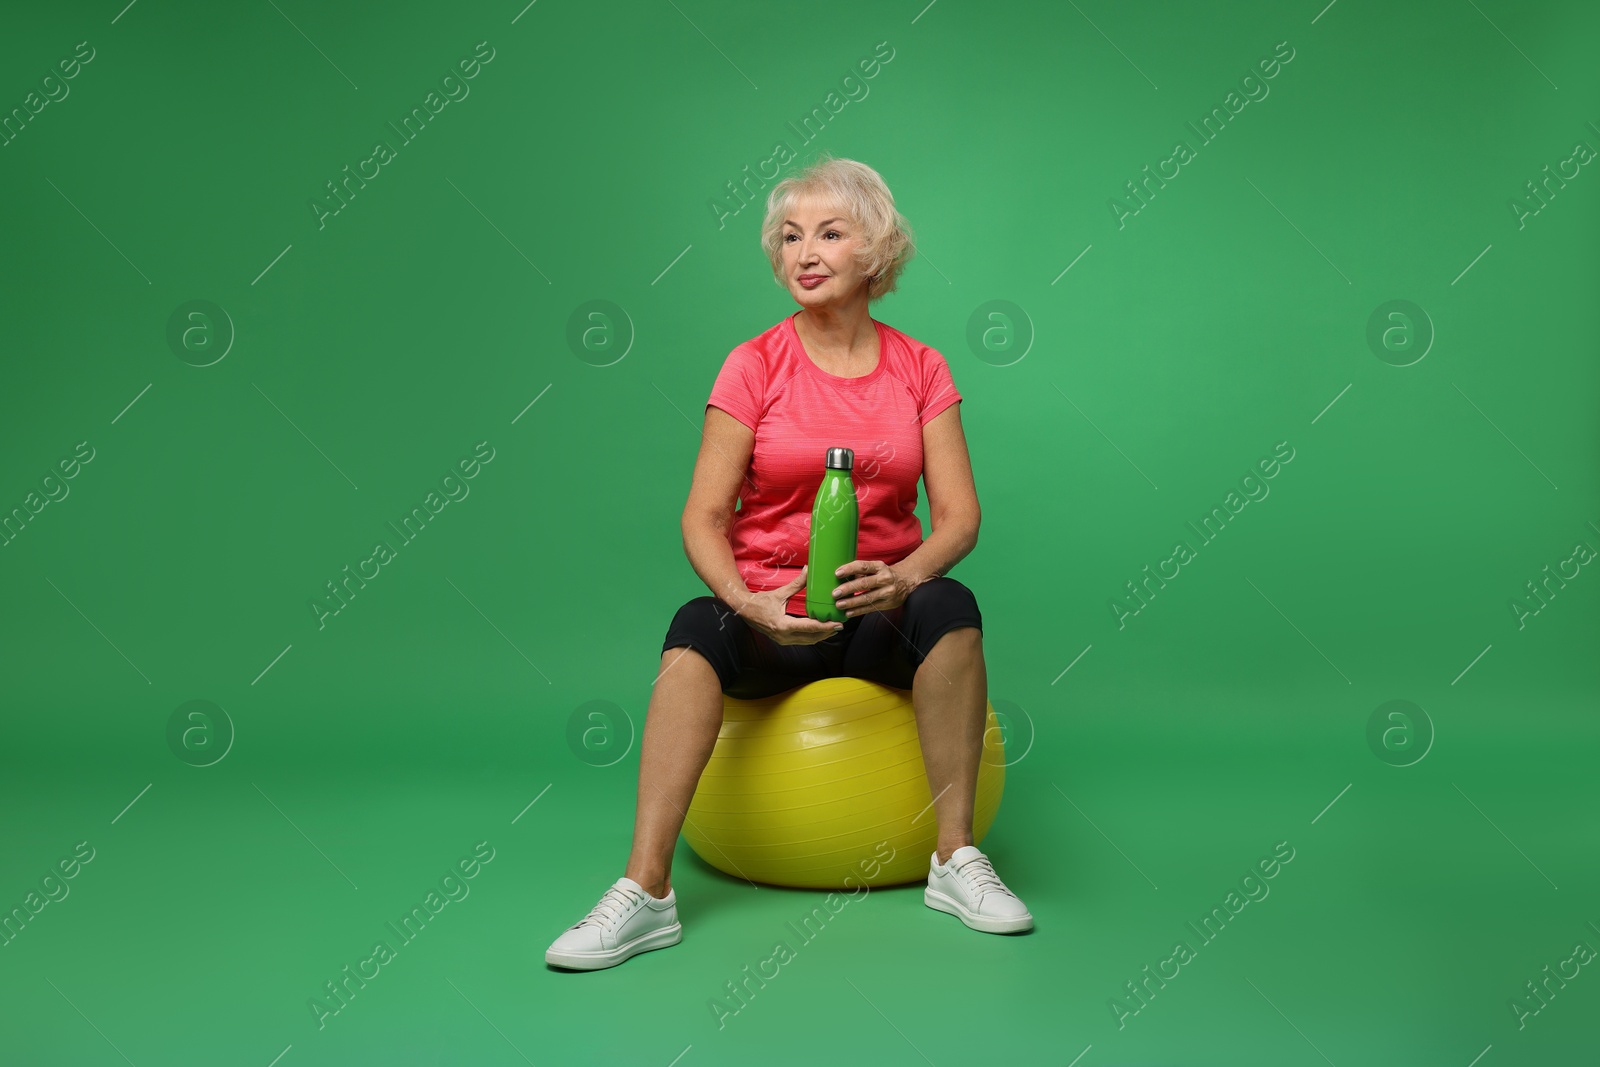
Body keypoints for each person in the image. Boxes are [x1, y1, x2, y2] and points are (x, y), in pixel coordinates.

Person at [545, 154, 1032, 972]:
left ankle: (954, 859)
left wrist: (905, 578)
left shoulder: (921, 367)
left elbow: (960, 517)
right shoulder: (753, 365)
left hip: (878, 614)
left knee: (953, 605)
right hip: (775, 615)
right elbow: (702, 516)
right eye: (789, 236)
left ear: (875, 249)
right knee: (694, 625)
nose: (803, 252)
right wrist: (751, 601)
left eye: (829, 233)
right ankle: (645, 892)